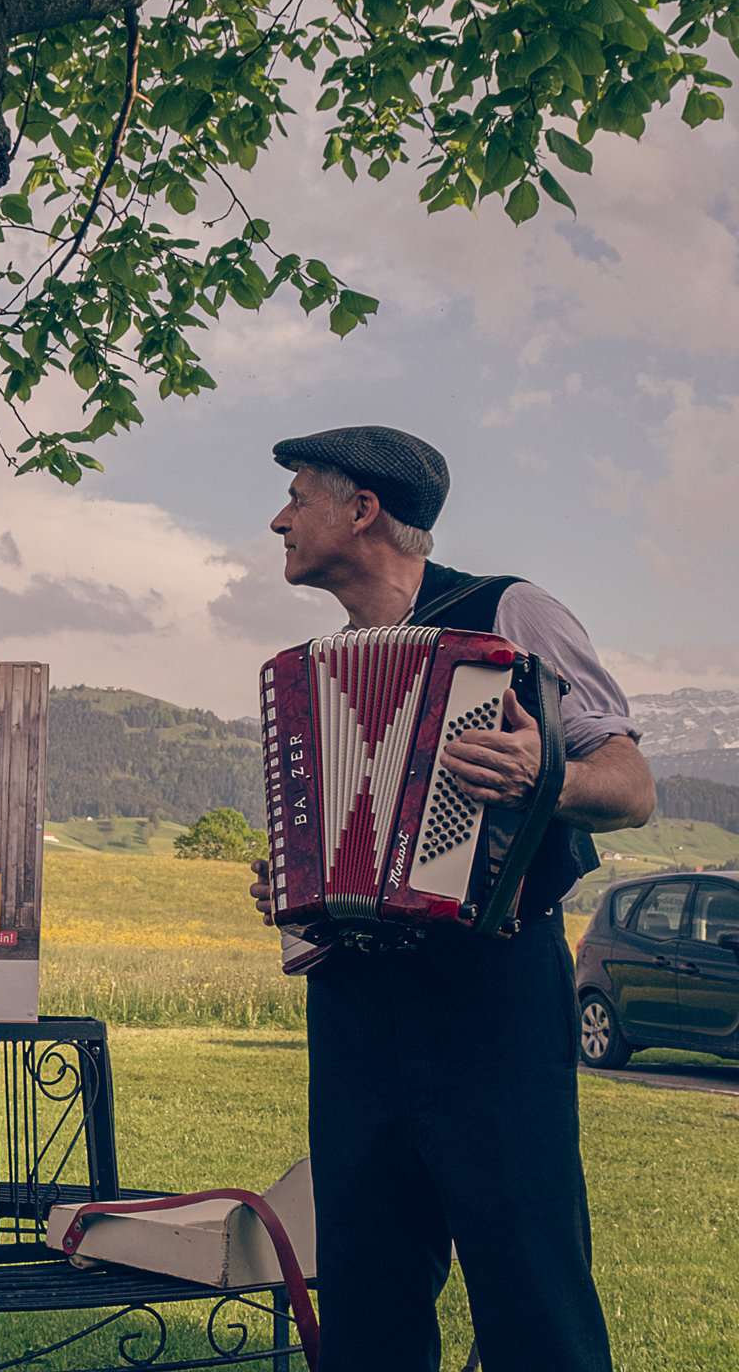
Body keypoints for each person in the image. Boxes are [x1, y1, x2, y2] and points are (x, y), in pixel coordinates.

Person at [249, 425, 654, 1372]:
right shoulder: (316, 672)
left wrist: (541, 769)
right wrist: (295, 881)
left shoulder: (511, 613)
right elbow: (326, 838)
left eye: (298, 498)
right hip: (354, 1006)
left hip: (492, 994)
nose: (279, 519)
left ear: (363, 510)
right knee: (367, 1293)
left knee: (530, 1285)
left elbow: (632, 786)